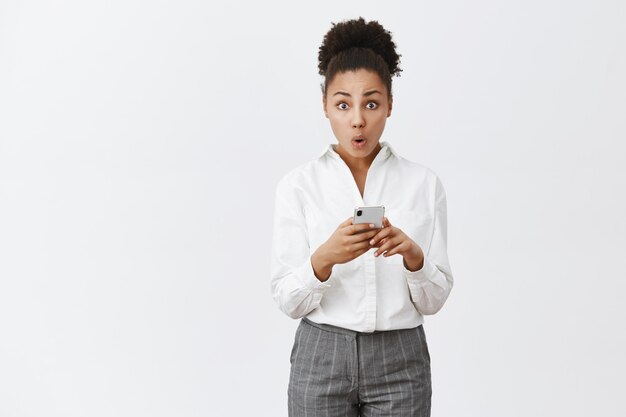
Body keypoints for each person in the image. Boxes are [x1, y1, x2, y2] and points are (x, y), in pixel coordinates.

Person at [270, 16, 454, 417]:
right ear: (325, 106)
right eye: (342, 104)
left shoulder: (423, 184)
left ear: (390, 104)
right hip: (321, 354)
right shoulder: (298, 185)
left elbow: (436, 298)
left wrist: (414, 259)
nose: (357, 119)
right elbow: (287, 298)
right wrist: (324, 258)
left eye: (371, 103)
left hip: (400, 357)